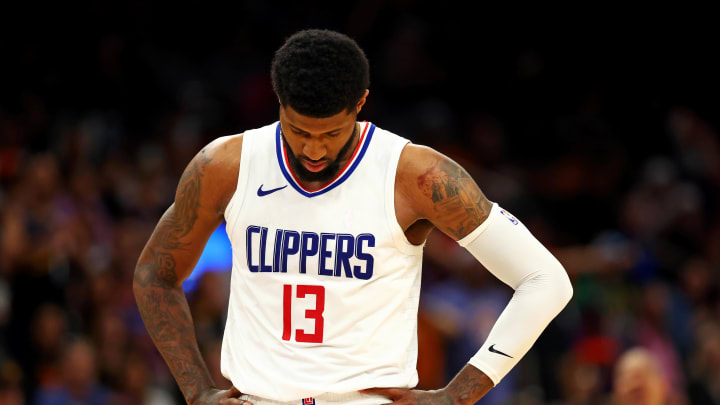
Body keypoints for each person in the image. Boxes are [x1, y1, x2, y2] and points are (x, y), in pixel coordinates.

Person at [133, 29, 573, 405]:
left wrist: (459, 394)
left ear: (361, 102)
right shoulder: (226, 165)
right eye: (299, 130)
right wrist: (197, 392)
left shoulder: (415, 175)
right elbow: (155, 273)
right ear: (278, 101)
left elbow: (545, 279)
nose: (313, 149)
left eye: (330, 133)